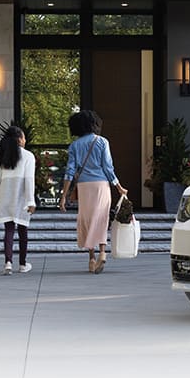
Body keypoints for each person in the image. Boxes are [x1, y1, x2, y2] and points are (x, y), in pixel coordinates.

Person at [58, 110, 128, 274]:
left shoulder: (75, 145)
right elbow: (108, 168)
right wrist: (119, 187)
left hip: (84, 187)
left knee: (87, 220)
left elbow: (69, 172)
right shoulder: (102, 142)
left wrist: (63, 197)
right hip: (101, 185)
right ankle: (102, 252)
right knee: (101, 219)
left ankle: (91, 258)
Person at [0, 126, 36, 275]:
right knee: (23, 231)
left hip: (5, 197)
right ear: (20, 139)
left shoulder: (1, 156)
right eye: (24, 137)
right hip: (21, 199)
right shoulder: (28, 156)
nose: (25, 140)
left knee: (8, 230)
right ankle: (22, 264)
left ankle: (8, 263)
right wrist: (31, 201)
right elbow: (29, 180)